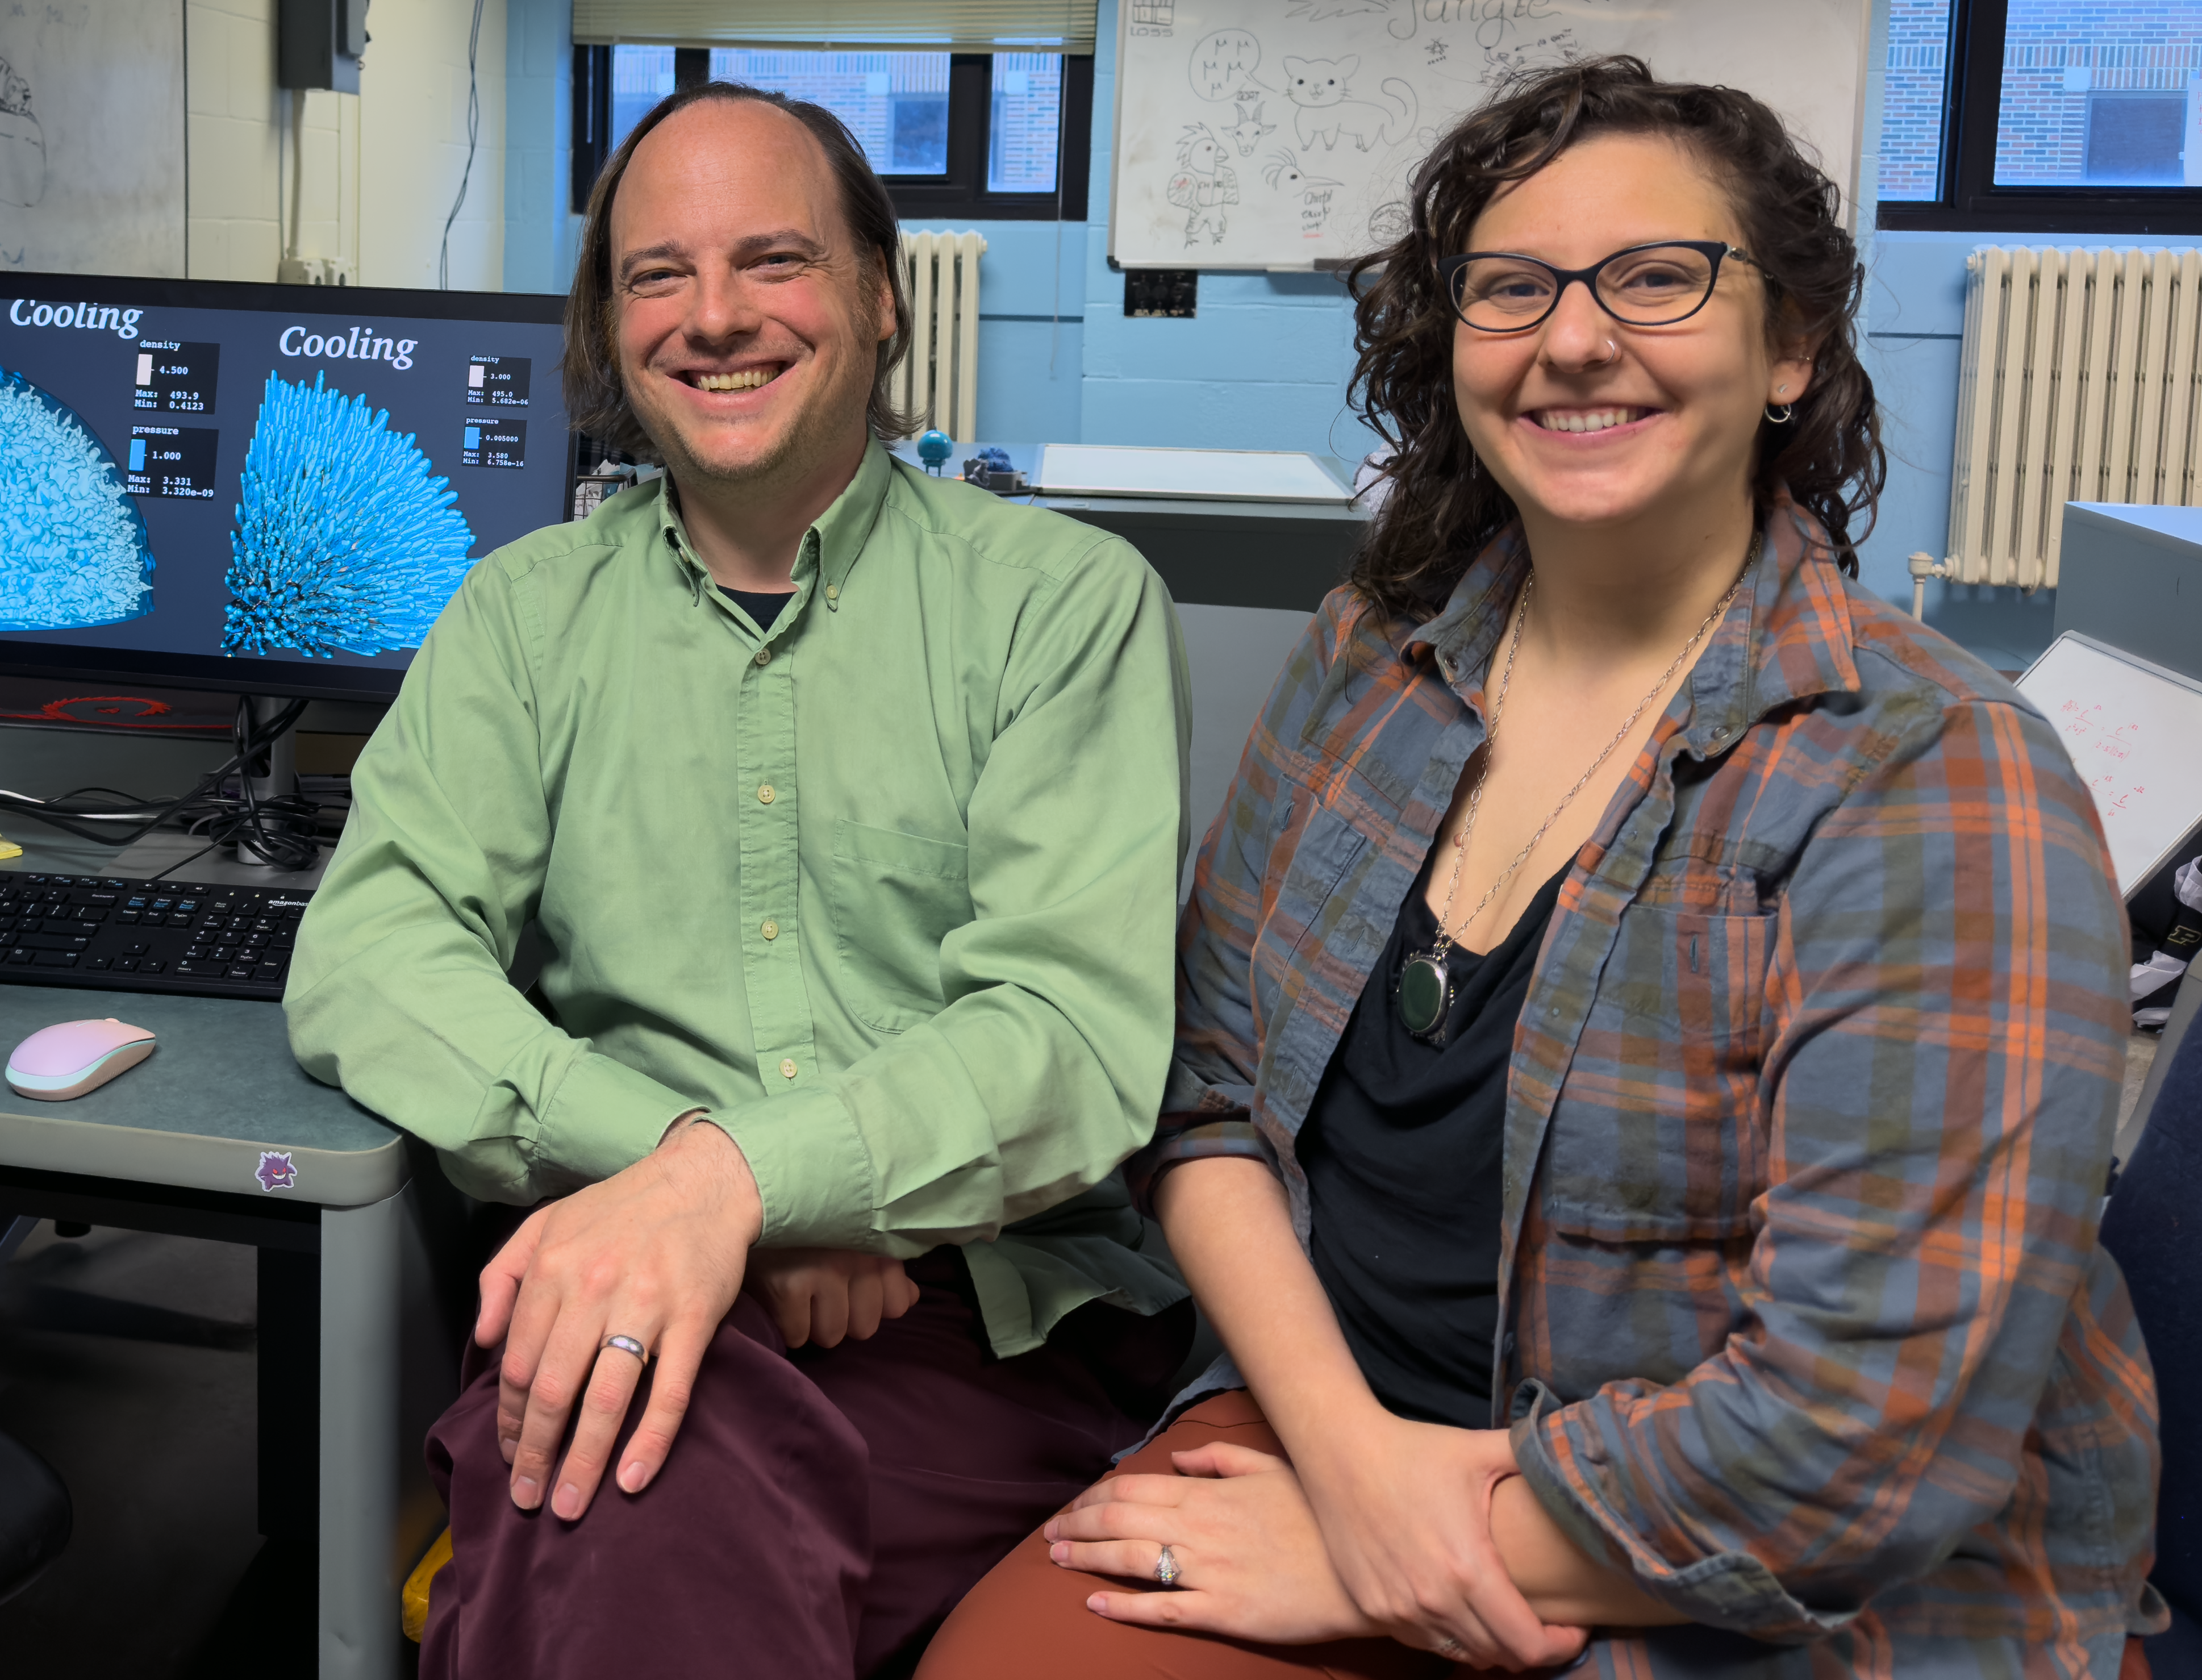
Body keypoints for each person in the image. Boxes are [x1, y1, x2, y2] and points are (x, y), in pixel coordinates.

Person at [921, 57, 2159, 1677]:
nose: (1575, 339)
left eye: (1659, 277)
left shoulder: (1932, 775)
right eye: (1512, 288)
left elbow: (1856, 1453)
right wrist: (1359, 1468)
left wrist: (1404, 1551)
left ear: (1789, 343)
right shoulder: (1379, 651)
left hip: (1747, 1574)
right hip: (1338, 1434)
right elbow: (1208, 1086)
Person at [283, 83, 1201, 1679]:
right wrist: (705, 1187)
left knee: (591, 1493)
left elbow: (1068, 1030)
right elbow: (366, 953)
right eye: (657, 276)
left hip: (970, 1320)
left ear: (877, 294)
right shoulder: (518, 621)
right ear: (611, 322)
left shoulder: (1062, 607)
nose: (713, 319)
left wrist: (733, 1190)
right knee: (621, 1461)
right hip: (622, 1278)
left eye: (772, 261)